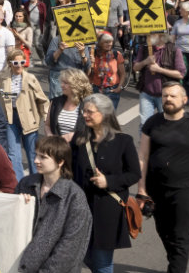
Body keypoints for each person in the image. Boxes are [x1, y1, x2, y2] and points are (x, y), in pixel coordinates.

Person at [137, 83, 189, 273]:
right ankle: (176, 262)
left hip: (185, 191)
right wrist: (141, 189)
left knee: (180, 238)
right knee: (164, 232)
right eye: (165, 96)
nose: (168, 99)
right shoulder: (152, 123)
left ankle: (176, 269)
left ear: (184, 100)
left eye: (173, 96)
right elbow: (142, 157)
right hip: (156, 189)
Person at [72, 94, 141, 273]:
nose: (84, 115)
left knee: (102, 261)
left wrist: (108, 181)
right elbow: (69, 170)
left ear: (104, 114)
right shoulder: (79, 140)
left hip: (108, 210)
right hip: (81, 207)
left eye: (90, 111)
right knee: (81, 254)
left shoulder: (123, 142)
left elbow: (134, 174)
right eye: (83, 111)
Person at [15, 136, 93, 273]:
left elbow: (69, 249)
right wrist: (18, 206)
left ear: (60, 161)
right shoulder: (26, 184)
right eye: (36, 155)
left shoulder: (75, 197)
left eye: (43, 157)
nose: (35, 161)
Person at [0, 48, 48, 181]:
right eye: (16, 63)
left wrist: (47, 119)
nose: (19, 66)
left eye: (22, 62)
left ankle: (35, 181)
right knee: (13, 153)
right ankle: (20, 183)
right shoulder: (2, 77)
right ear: (9, 63)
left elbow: (43, 99)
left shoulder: (30, 78)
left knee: (32, 152)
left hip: (28, 119)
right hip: (10, 118)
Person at [134, 32, 186, 127]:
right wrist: (145, 61)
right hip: (146, 93)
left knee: (168, 124)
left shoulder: (174, 50)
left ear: (162, 36)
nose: (149, 36)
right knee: (144, 125)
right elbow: (135, 67)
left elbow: (180, 74)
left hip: (166, 95)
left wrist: (159, 69)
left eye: (153, 34)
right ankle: (145, 142)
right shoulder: (145, 48)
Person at [45, 68, 91, 142]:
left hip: (78, 150)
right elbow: (47, 125)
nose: (62, 85)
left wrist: (73, 136)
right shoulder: (55, 102)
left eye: (66, 83)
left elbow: (91, 131)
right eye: (62, 82)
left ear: (76, 85)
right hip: (58, 148)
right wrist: (50, 136)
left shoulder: (87, 105)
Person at [88, 33, 124, 108]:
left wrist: (119, 88)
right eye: (106, 42)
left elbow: (123, 74)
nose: (109, 44)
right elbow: (88, 74)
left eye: (110, 42)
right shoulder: (93, 54)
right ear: (100, 43)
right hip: (96, 90)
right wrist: (90, 63)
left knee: (109, 117)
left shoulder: (116, 54)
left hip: (112, 90)